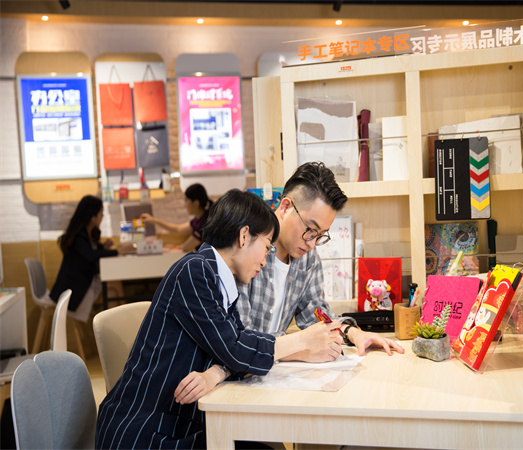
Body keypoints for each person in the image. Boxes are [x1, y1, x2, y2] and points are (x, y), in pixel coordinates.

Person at [95, 189, 342, 449]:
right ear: (244, 236)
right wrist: (301, 341)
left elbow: (237, 344)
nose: (265, 259)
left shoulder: (221, 282)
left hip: (179, 423)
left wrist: (216, 373)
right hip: (144, 432)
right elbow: (234, 348)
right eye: (267, 246)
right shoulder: (194, 270)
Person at [236, 161, 404, 360]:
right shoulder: (246, 246)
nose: (312, 243)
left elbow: (314, 314)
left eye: (321, 235)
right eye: (310, 230)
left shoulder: (307, 258)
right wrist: (300, 350)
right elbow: (240, 338)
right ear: (285, 207)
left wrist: (353, 333)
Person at [50, 195, 128, 321]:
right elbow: (91, 255)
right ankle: (126, 323)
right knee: (113, 290)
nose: (102, 216)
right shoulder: (79, 237)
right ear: (92, 216)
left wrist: (103, 247)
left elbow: (91, 252)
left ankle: (125, 324)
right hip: (75, 290)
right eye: (101, 213)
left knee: (113, 289)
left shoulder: (86, 234)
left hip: (84, 284)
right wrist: (117, 251)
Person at [141, 183, 213, 252]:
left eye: (186, 201)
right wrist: (153, 220)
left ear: (196, 203)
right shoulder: (199, 220)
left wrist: (175, 247)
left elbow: (186, 247)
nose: (184, 205)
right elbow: (178, 229)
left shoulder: (205, 222)